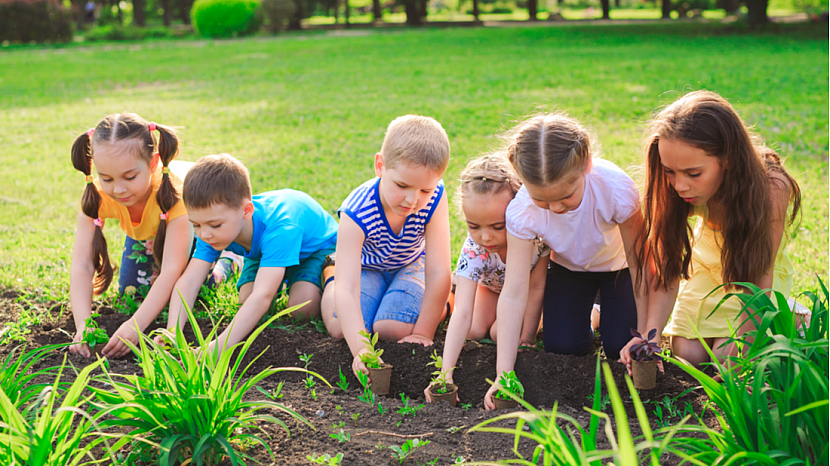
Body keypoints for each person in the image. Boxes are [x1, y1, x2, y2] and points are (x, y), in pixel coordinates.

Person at [620, 90, 802, 371]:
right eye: (670, 171)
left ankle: (792, 315)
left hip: (750, 275)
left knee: (726, 359)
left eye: (693, 174)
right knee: (688, 353)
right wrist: (648, 338)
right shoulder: (673, 186)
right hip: (706, 270)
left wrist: (746, 352)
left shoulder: (771, 186)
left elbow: (759, 277)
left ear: (728, 159)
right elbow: (665, 264)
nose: (679, 185)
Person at [483, 113, 646, 410]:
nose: (555, 208)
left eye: (566, 196)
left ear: (586, 164)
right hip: (568, 270)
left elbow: (641, 264)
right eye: (542, 201)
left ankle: (602, 313)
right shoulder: (521, 212)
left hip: (620, 271)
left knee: (618, 347)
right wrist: (503, 372)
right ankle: (593, 317)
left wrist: (648, 336)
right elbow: (515, 290)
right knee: (563, 348)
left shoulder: (616, 190)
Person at [159, 153, 339, 353]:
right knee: (246, 301)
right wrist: (172, 332)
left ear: (246, 211)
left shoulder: (281, 227)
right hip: (263, 254)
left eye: (215, 225)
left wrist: (217, 349)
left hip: (315, 249)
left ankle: (323, 273)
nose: (204, 234)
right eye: (196, 225)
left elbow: (263, 295)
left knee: (302, 308)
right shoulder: (211, 229)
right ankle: (253, 267)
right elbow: (189, 281)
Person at [321, 115, 452, 379]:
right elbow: (348, 289)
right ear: (380, 165)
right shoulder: (356, 212)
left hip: (410, 264)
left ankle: (450, 301)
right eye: (402, 185)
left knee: (392, 328)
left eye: (425, 190)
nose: (412, 200)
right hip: (366, 269)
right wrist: (360, 350)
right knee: (339, 328)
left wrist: (423, 332)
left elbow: (438, 271)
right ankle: (329, 273)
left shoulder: (436, 196)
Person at [69, 113, 201, 359]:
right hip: (151, 233)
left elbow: (173, 268)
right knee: (133, 290)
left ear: (153, 164)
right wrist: (83, 324)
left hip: (195, 227)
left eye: (130, 177)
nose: (118, 189)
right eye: (107, 178)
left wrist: (136, 325)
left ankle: (226, 260)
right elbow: (82, 264)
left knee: (194, 288)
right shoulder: (97, 195)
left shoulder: (177, 194)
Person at [424, 154, 550, 402]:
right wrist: (445, 373)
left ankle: (594, 312)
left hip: (525, 295)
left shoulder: (534, 240)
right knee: (472, 329)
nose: (485, 237)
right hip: (491, 289)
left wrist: (527, 334)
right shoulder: (474, 248)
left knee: (498, 334)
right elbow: (462, 312)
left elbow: (535, 288)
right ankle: (451, 291)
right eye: (474, 226)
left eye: (497, 226)